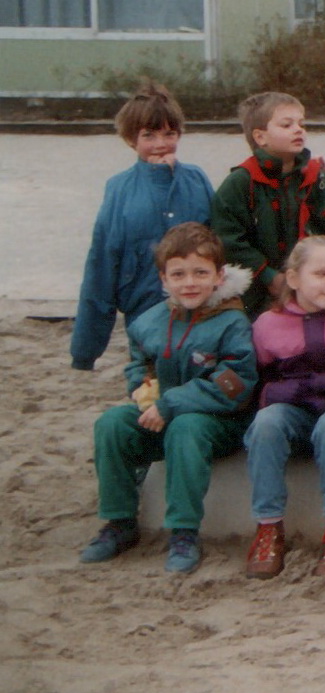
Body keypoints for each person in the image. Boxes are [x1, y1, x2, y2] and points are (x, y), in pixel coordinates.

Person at [79, 223, 256, 574]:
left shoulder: (232, 323)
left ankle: (184, 531)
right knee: (112, 424)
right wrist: (142, 387)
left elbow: (236, 383)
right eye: (178, 274)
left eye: (200, 273)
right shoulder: (150, 322)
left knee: (186, 427)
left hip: (216, 423)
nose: (189, 282)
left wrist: (171, 403)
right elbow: (139, 362)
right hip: (160, 414)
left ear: (219, 276)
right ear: (163, 279)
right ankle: (120, 521)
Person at [243, 235, 325, 580]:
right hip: (296, 409)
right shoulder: (268, 324)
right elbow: (259, 376)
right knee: (267, 422)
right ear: (294, 279)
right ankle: (269, 526)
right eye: (321, 274)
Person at [72, 80, 214, 370]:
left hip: (199, 306)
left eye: (169, 133)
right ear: (131, 140)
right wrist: (85, 350)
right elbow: (101, 263)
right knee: (148, 384)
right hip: (143, 307)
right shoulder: (119, 189)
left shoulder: (196, 179)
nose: (160, 144)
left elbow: (221, 240)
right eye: (149, 135)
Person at [211, 91, 325, 318]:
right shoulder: (241, 183)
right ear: (260, 137)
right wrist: (269, 276)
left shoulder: (317, 177)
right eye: (287, 125)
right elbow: (228, 239)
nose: (298, 129)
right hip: (258, 293)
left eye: (301, 124)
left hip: (314, 287)